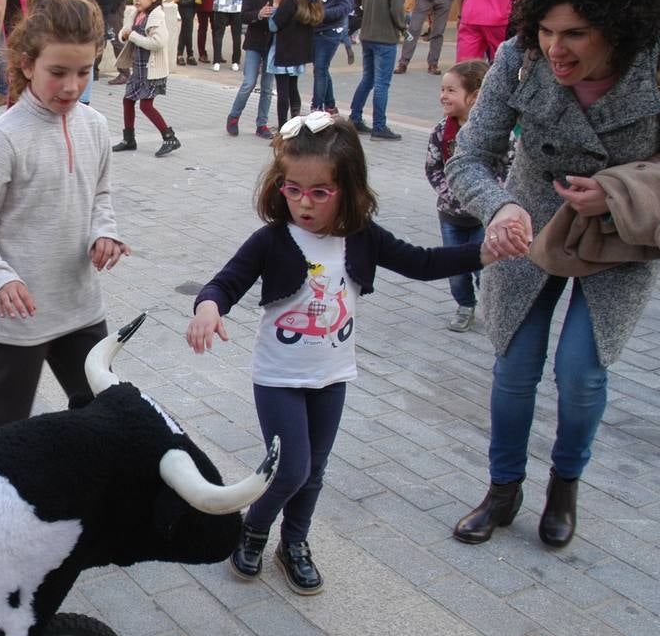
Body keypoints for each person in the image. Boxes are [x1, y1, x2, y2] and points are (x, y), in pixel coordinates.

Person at [186, 113, 506, 595]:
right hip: (278, 376)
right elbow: (226, 280)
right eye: (292, 189)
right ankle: (253, 528)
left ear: (348, 188)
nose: (303, 203)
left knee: (314, 471)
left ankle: (294, 543)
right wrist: (208, 307)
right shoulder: (273, 238)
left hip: (333, 375)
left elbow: (421, 263)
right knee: (291, 467)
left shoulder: (361, 236)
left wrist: (484, 252)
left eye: (319, 192)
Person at [446, 0, 660, 549]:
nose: (558, 48)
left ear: (619, 25)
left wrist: (622, 190)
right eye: (548, 30)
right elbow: (469, 156)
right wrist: (500, 206)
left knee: (581, 373)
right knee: (514, 367)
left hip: (620, 234)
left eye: (578, 33)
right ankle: (502, 490)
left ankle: (564, 487)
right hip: (527, 228)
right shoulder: (518, 57)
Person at [0, 0, 129, 443]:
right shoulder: (5, 136)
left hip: (81, 306)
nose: (71, 86)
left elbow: (100, 194)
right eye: (57, 72)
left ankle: (81, 498)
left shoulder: (97, 126)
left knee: (107, 410)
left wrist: (103, 232)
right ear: (27, 65)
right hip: (20, 314)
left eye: (84, 71)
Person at [426, 59, 498, 332]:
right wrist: (450, 193)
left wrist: (488, 199)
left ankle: (493, 307)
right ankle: (465, 304)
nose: (443, 95)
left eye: (451, 90)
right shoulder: (442, 131)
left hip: (483, 216)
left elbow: (508, 168)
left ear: (475, 96)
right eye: (442, 89)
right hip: (450, 214)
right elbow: (433, 167)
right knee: (455, 268)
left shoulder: (494, 132)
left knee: (486, 268)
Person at [348, 0, 409, 140]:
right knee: (383, 82)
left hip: (368, 35)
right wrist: (403, 26)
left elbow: (364, 3)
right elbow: (397, 9)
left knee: (368, 78)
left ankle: (355, 118)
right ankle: (379, 126)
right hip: (385, 37)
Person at [112, 0, 179, 156]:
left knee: (146, 106)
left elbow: (158, 42)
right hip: (138, 68)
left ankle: (169, 137)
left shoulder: (157, 16)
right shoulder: (135, 14)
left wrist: (132, 36)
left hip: (152, 69)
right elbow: (125, 32)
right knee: (128, 100)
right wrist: (124, 35)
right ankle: (129, 139)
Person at [227, 0, 281, 138]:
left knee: (267, 87)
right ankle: (234, 116)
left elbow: (289, 13)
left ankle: (262, 124)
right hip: (255, 42)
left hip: (273, 44)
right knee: (249, 82)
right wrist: (258, 14)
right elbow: (244, 15)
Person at [268, 0, 320, 125]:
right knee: (293, 88)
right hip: (299, 54)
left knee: (282, 91)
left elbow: (273, 26)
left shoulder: (292, 2)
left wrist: (276, 5)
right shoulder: (313, 3)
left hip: (284, 51)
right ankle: (295, 121)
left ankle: (283, 127)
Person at [310, 0, 354, 115]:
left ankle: (316, 107)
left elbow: (346, 6)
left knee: (320, 68)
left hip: (331, 31)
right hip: (314, 30)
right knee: (322, 68)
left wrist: (323, 14)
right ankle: (330, 106)